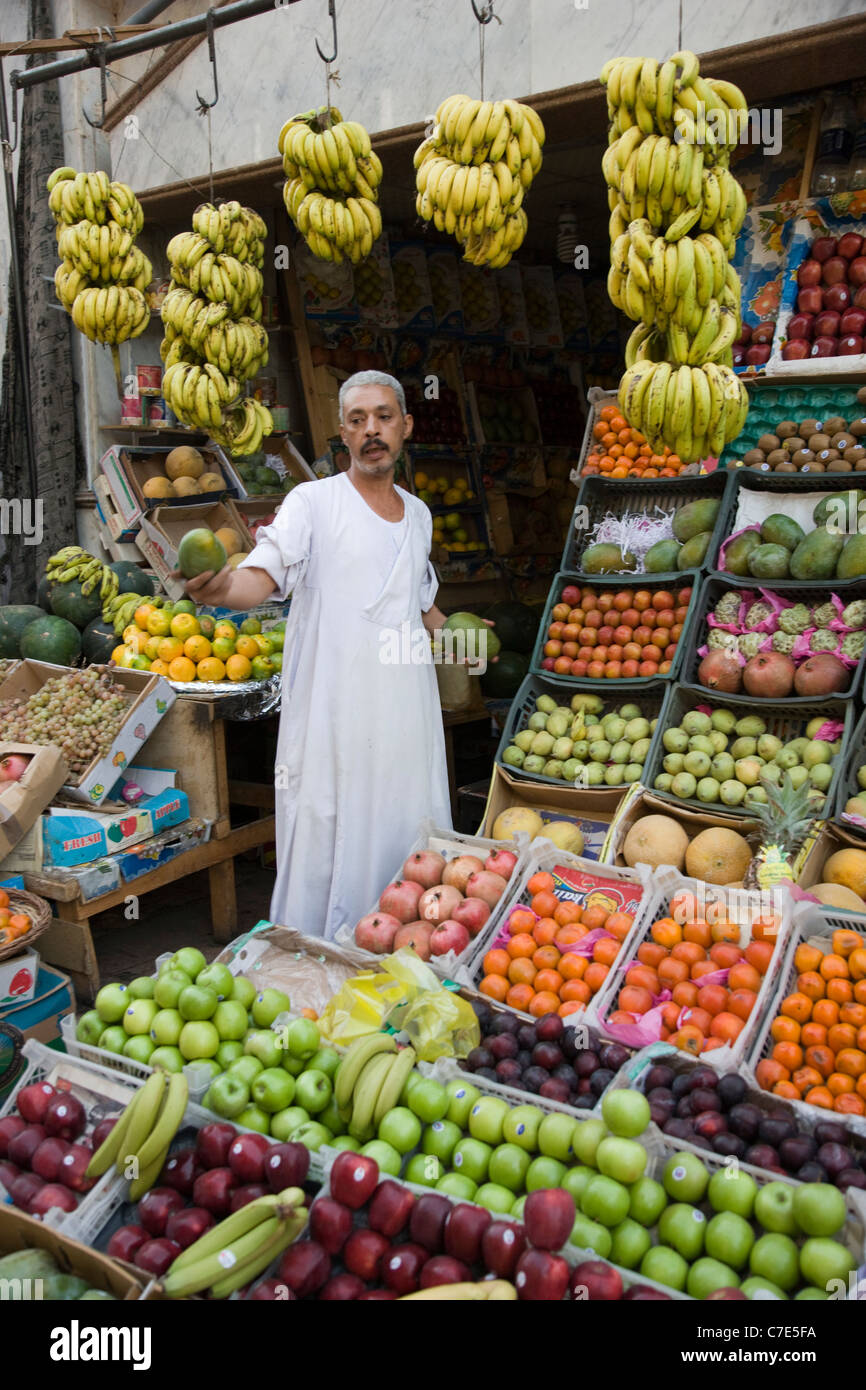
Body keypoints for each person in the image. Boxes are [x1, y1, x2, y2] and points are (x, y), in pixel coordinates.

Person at [183, 370, 454, 941]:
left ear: (405, 426)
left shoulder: (420, 514)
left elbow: (421, 605)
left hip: (406, 718)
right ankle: (314, 960)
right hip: (333, 715)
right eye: (358, 421)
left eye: (383, 417)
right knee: (331, 834)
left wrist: (471, 647)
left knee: (405, 833)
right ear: (343, 434)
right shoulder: (312, 503)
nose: (371, 431)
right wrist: (220, 592)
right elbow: (260, 574)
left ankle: (398, 951)